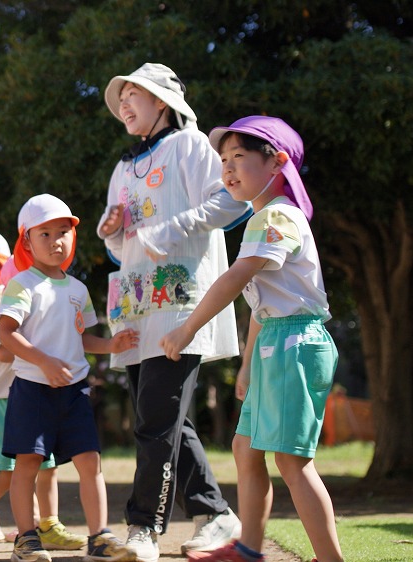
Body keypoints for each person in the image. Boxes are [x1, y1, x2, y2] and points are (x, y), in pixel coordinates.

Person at [160, 116, 343, 562]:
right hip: (276, 344)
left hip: (294, 345)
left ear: (277, 162)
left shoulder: (276, 216)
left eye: (239, 157)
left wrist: (188, 327)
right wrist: (246, 363)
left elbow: (237, 276)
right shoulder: (264, 219)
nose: (228, 169)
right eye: (224, 160)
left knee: (292, 462)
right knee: (245, 448)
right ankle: (248, 549)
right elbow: (263, 302)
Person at [98, 62, 247, 561]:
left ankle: (144, 529)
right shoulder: (123, 167)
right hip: (137, 307)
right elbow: (125, 253)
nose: (122, 103)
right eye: (120, 97)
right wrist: (111, 232)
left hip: (181, 306)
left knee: (155, 423)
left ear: (162, 101)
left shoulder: (190, 144)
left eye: (132, 94)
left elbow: (232, 201)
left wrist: (171, 229)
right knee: (164, 420)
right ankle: (215, 513)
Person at [0, 194, 140, 562]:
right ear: (26, 240)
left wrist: (111, 344)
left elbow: (82, 338)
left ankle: (100, 537)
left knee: (90, 462)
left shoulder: (78, 290)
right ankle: (26, 540)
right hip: (32, 389)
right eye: (44, 233)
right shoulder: (21, 285)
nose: (56, 240)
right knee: (27, 464)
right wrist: (43, 361)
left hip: (75, 392)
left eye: (63, 232)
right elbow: (6, 334)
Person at [0, 231, 86, 556]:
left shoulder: (12, 292)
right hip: (5, 392)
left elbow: (10, 325)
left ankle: (47, 524)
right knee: (14, 469)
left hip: (26, 390)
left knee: (45, 465)